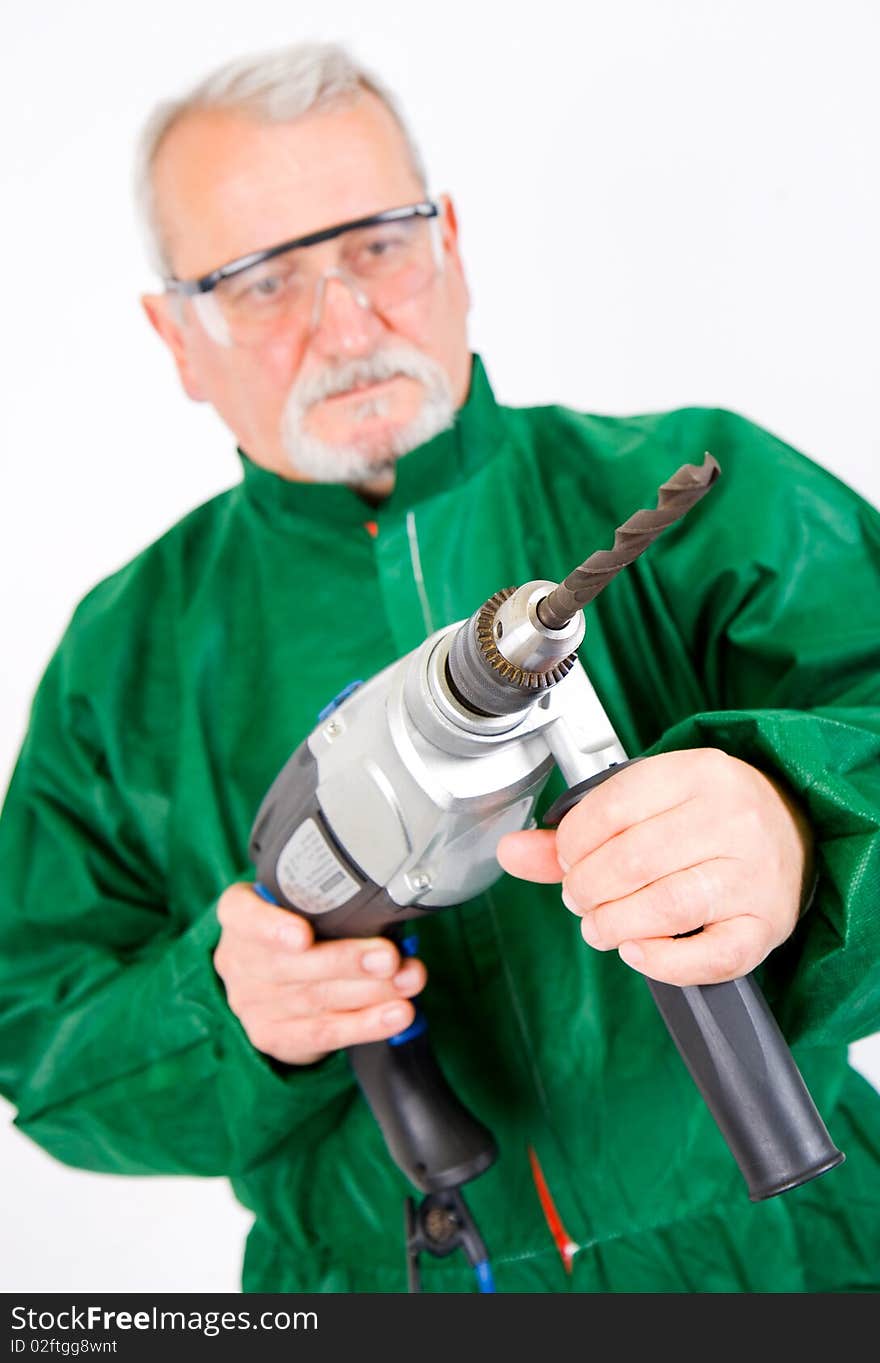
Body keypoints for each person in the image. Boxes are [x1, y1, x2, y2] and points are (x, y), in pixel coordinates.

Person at [0, 41, 878, 1295]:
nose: (346, 322)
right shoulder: (122, 660)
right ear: (176, 336)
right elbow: (39, 1041)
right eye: (259, 283)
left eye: (376, 245)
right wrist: (227, 1011)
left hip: (796, 1261)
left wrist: (805, 820)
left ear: (451, 241)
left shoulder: (699, 500)